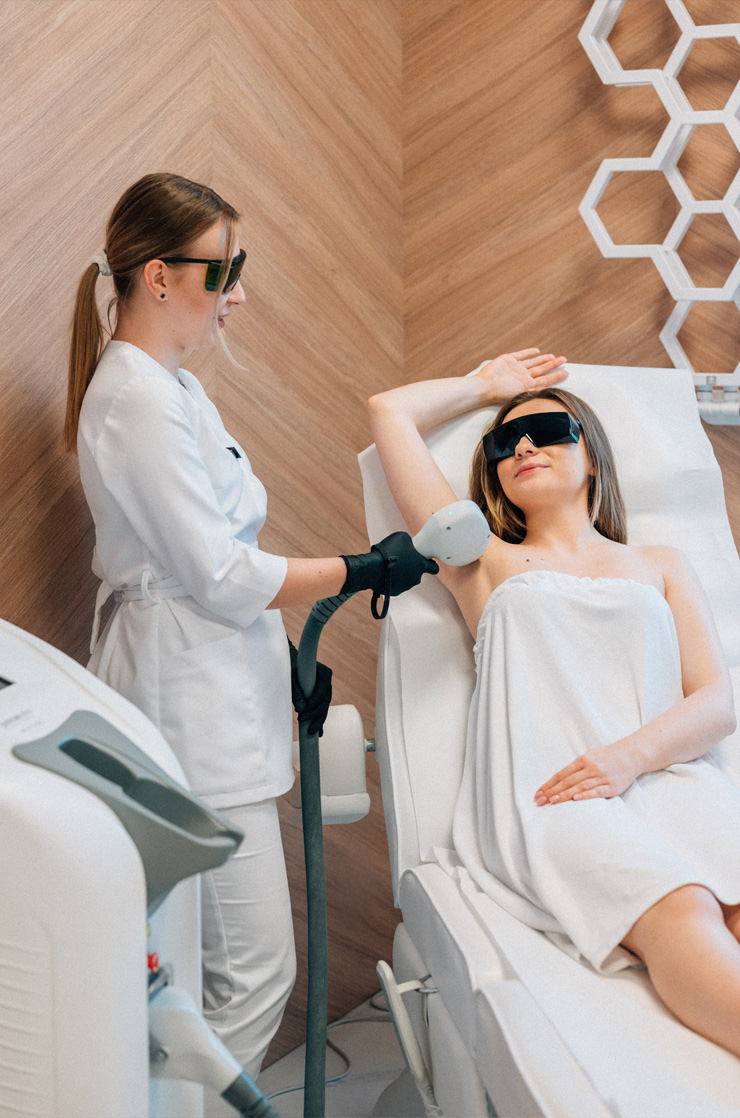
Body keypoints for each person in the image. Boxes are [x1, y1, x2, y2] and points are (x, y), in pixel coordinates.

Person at [65, 172, 436, 1099]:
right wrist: (361, 569)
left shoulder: (177, 389)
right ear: (159, 276)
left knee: (209, 973)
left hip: (219, 685)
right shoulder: (135, 398)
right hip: (188, 708)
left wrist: (285, 667)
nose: (239, 294)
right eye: (223, 271)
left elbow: (224, 562)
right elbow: (222, 576)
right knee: (255, 970)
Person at [368, 348, 740, 1060]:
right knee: (683, 906)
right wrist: (488, 385)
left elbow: (716, 704)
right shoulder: (481, 561)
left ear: (592, 457)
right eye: (505, 442)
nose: (523, 447)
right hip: (557, 796)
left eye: (545, 432)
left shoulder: (660, 563)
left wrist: (627, 759)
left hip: (672, 777)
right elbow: (389, 411)